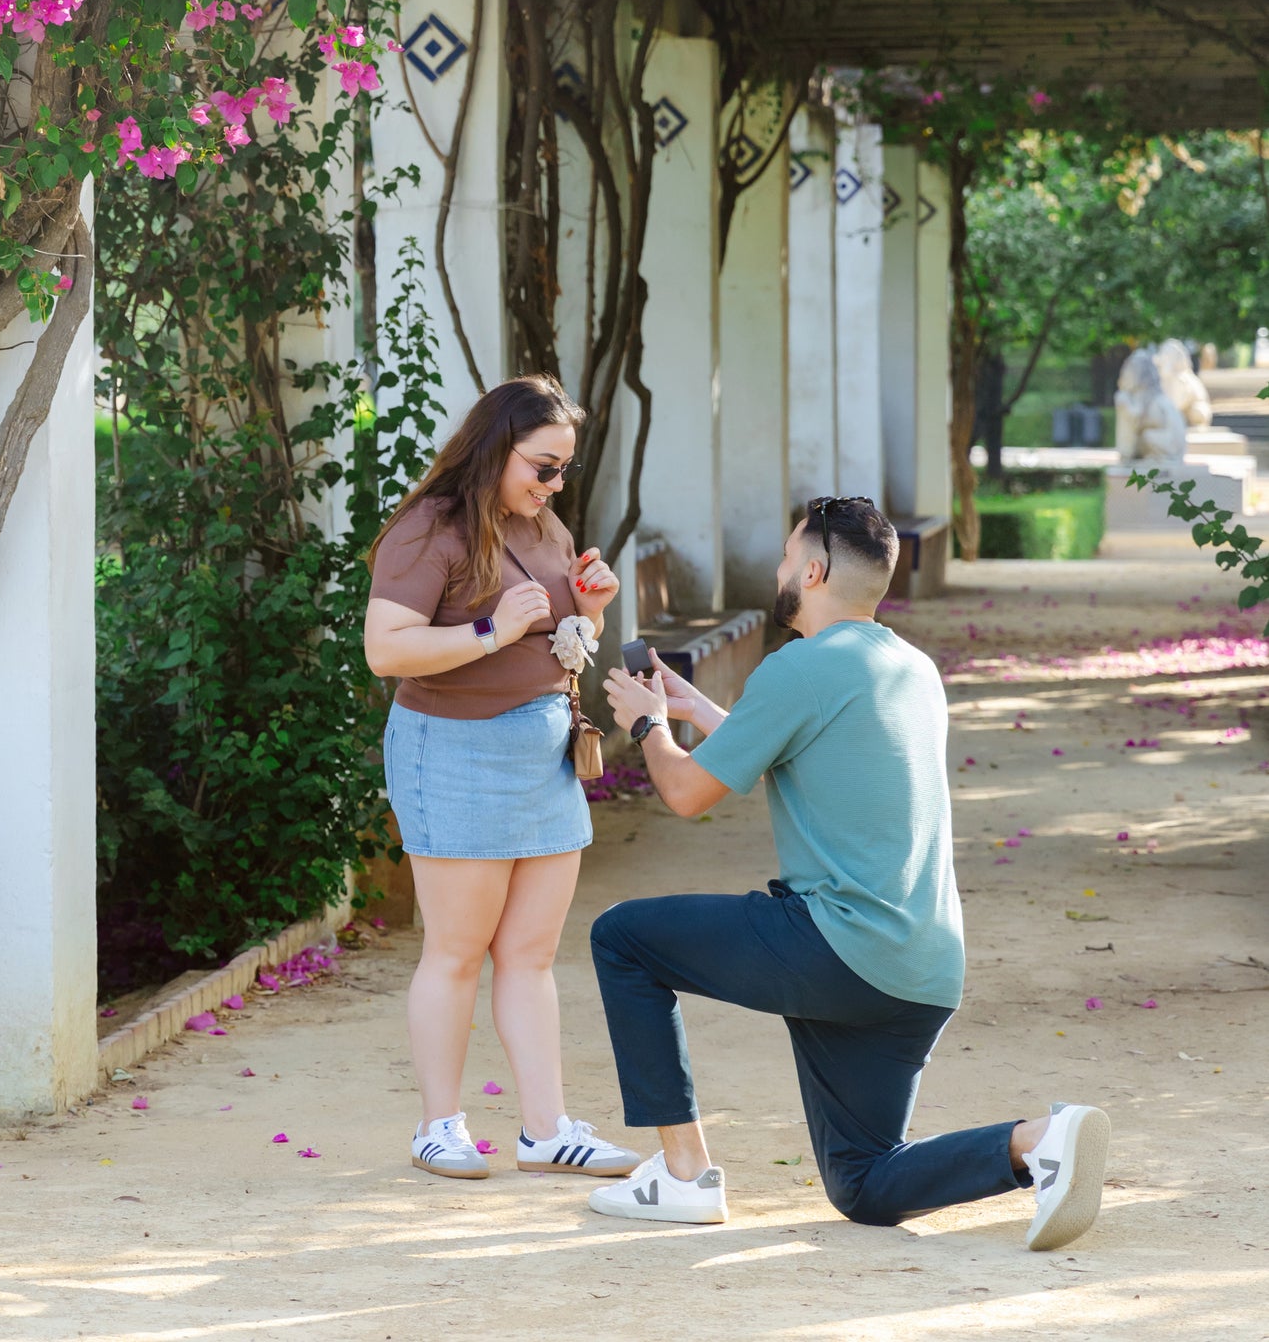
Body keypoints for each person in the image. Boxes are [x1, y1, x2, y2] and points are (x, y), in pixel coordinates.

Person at [584, 496, 1110, 1250]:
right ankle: (1038, 1142)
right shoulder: (909, 667)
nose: (775, 571)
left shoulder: (797, 667)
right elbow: (809, 753)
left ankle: (683, 1173)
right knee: (864, 1186)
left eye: (782, 557)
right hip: (919, 971)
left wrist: (648, 725)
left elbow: (685, 793)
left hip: (837, 947)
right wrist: (696, 708)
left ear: (813, 569)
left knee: (623, 938)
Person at [365, 375, 639, 1184]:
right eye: (542, 466)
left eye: (563, 472)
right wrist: (489, 630)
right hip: (452, 750)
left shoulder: (542, 525)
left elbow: (554, 642)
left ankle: (546, 1129)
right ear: (495, 447)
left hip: (540, 751)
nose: (554, 485)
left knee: (530, 953)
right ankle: (437, 1126)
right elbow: (387, 650)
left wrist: (589, 609)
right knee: (454, 951)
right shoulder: (430, 529)